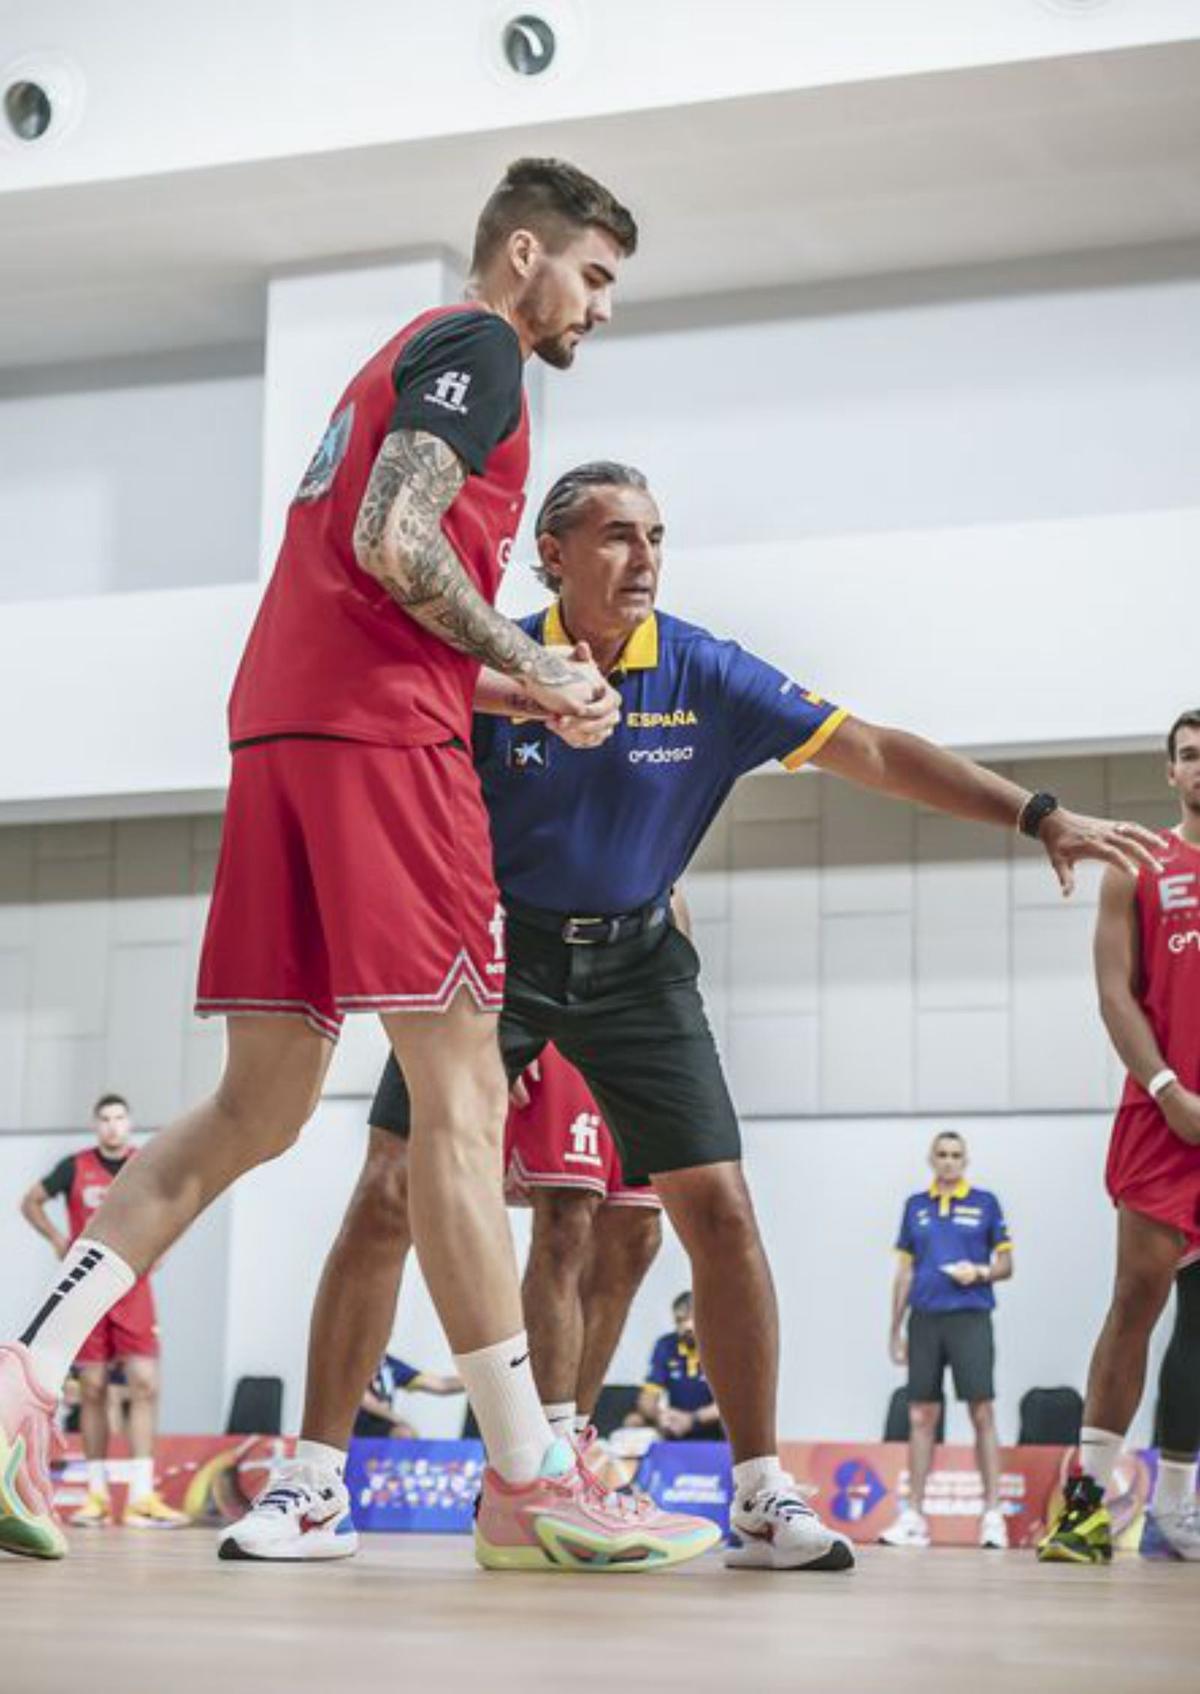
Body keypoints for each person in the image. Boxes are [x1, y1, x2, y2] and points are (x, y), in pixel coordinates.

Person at [224, 459, 1160, 1576]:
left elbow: (870, 749)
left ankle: (760, 1493)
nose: (645, 557)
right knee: (385, 1189)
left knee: (718, 1209)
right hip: (497, 956)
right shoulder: (486, 671)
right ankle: (317, 1480)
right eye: (616, 536)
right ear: (551, 556)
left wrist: (1036, 814)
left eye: (657, 536)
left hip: (640, 964)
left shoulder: (705, 672)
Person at [0, 160, 720, 1576]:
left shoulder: (397, 365)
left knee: (255, 1106)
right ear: (525, 254)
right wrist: (522, 653)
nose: (601, 307)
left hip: (285, 728)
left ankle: (24, 1371)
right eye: (593, 275)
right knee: (459, 1098)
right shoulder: (479, 352)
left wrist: (521, 687)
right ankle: (526, 1475)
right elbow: (397, 543)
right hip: (376, 746)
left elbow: (369, 575)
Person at [223, 1039, 664, 1559]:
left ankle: (555, 1474)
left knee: (604, 1222)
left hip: (610, 989)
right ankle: (317, 1481)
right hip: (465, 986)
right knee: (389, 1189)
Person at [1040, 709, 1200, 1565]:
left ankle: (1176, 1508)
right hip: (1162, 1115)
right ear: (1171, 772)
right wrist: (1170, 1088)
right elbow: (1114, 993)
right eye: (1188, 755)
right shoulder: (1139, 864)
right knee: (1138, 1300)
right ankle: (1086, 1501)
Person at [18, 1094, 187, 1529]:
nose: (113, 1126)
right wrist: (58, 1240)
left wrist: (163, 1245)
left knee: (145, 1382)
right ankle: (94, 1495)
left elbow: (181, 1204)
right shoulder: (73, 1167)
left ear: (129, 1124)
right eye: (105, 1119)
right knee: (91, 1387)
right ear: (97, 1126)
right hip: (87, 1284)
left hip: (133, 1283)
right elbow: (30, 1201)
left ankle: (141, 1495)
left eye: (119, 1118)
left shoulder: (146, 1162)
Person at [879, 1132, 1013, 1550]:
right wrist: (894, 1328)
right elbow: (904, 1273)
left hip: (971, 1317)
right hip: (924, 1320)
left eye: (956, 1155)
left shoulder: (986, 1202)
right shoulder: (914, 1207)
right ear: (931, 1159)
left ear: (966, 1160)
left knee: (982, 1412)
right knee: (921, 1416)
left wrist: (980, 1272)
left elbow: (1006, 1264)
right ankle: (914, 1516)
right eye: (942, 1155)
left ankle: (992, 1515)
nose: (949, 1162)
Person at [637, 1293, 723, 1442]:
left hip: (716, 1435)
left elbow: (732, 1407)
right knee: (634, 1421)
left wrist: (692, 1419)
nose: (687, 1326)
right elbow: (648, 1397)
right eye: (680, 1320)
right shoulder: (665, 1345)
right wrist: (660, 1416)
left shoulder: (723, 1345)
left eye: (693, 1318)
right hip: (676, 1431)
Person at [353, 1354, 462, 1440]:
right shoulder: (349, 1357)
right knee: (403, 1433)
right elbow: (359, 1396)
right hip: (349, 1427)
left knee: (404, 1435)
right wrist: (398, 1420)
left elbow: (442, 1385)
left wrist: (475, 1377)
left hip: (380, 1427)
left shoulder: (388, 1363)